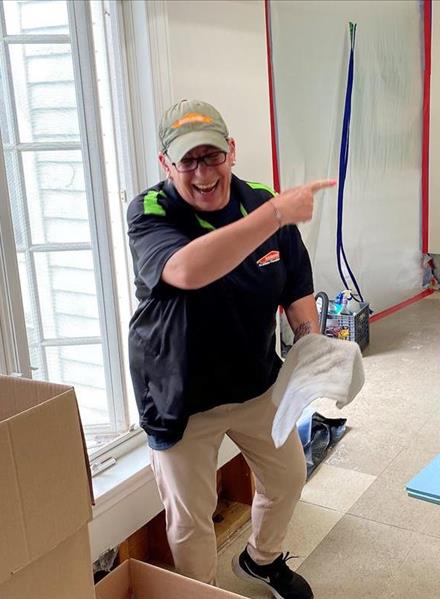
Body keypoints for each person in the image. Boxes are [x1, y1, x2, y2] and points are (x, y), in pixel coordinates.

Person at [127, 98, 335, 598]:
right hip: (178, 395)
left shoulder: (260, 200)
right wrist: (275, 215)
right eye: (188, 161)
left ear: (231, 152)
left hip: (254, 380)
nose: (202, 172)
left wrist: (313, 351)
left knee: (288, 476)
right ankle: (204, 592)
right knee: (191, 521)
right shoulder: (150, 211)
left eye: (212, 156)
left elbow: (296, 285)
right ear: (165, 164)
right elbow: (185, 270)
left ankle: (261, 561)